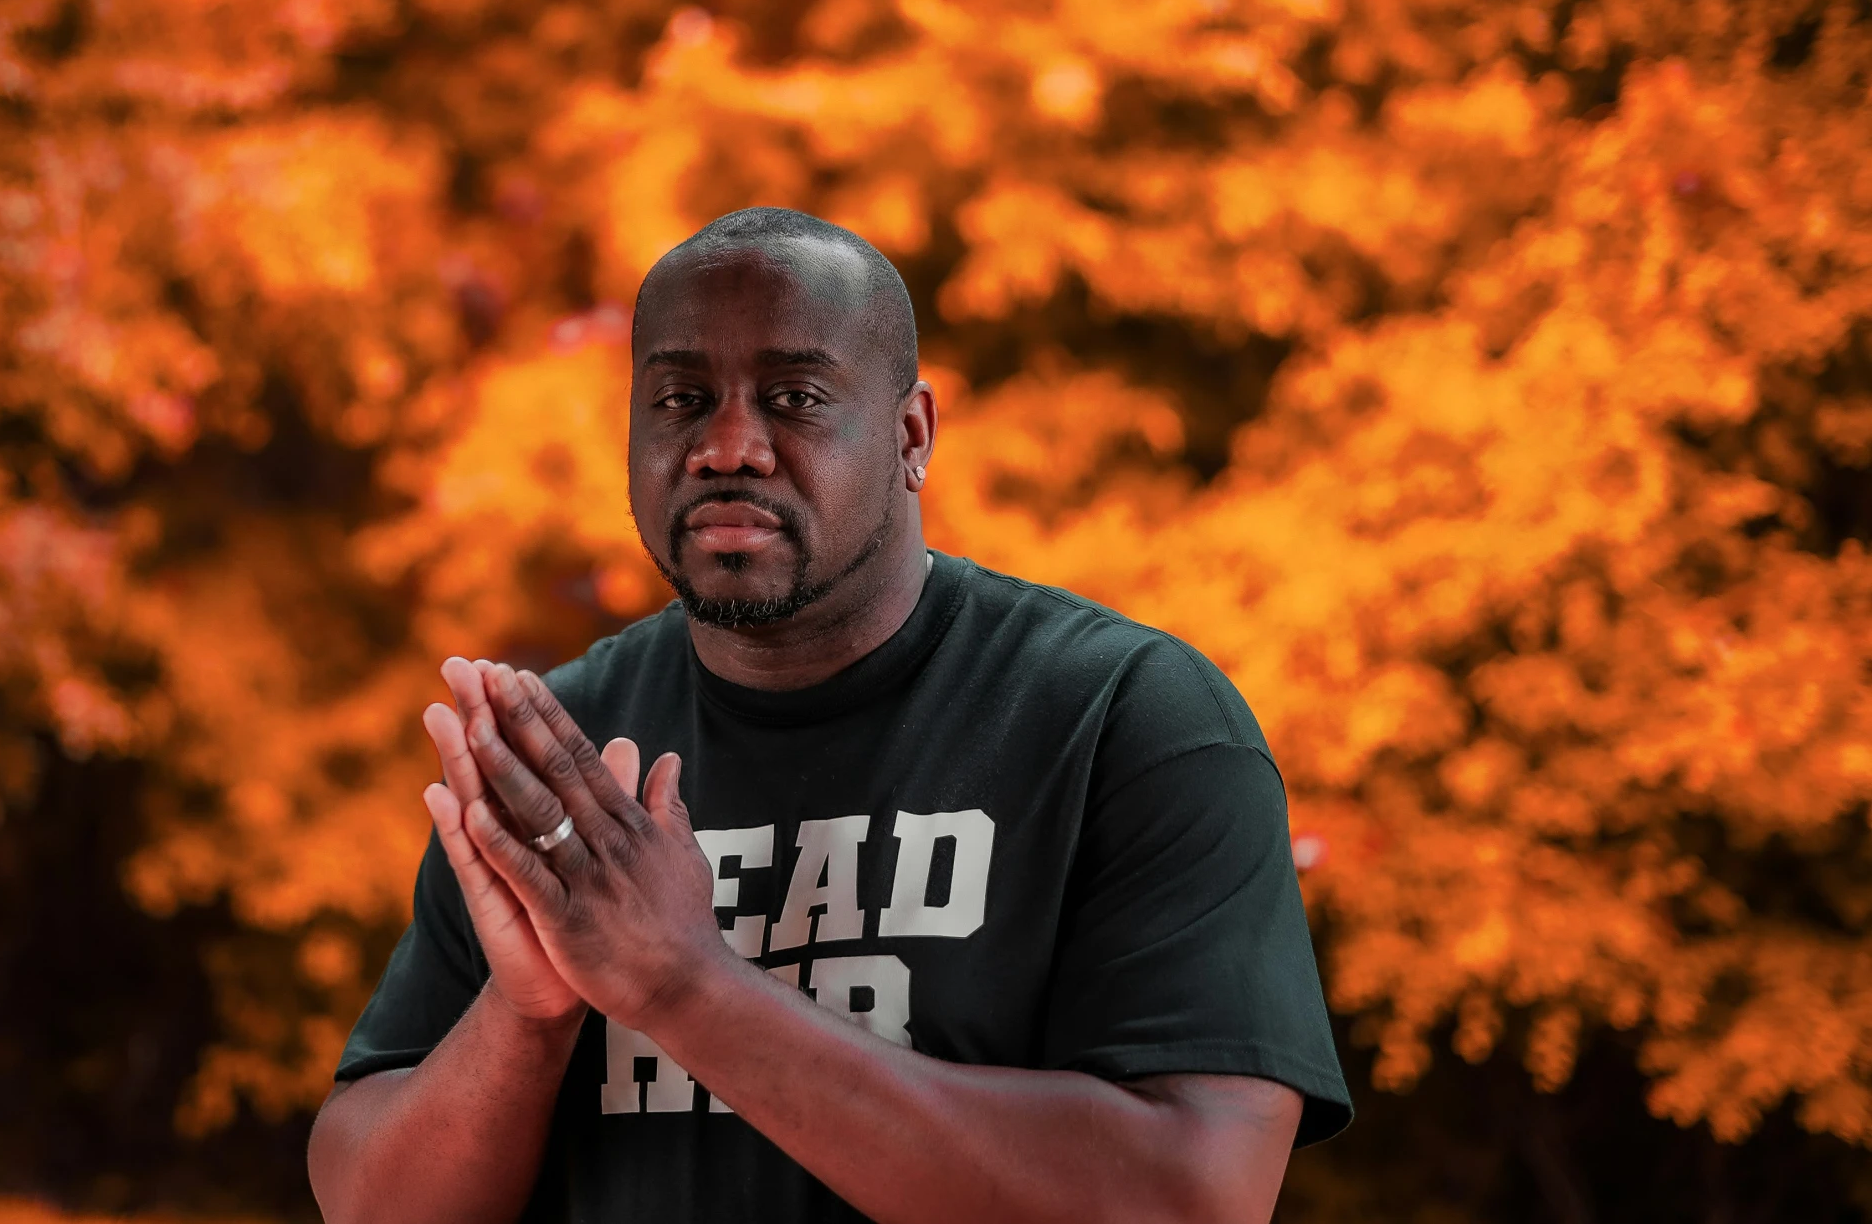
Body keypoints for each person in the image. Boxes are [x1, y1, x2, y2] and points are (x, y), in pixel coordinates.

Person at [306, 208, 1350, 1224]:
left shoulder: (1122, 719)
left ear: (910, 435)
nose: (726, 446)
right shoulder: (570, 753)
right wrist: (529, 1015)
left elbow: (1195, 1193)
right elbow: (368, 1197)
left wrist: (682, 986)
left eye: (795, 396)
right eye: (678, 399)